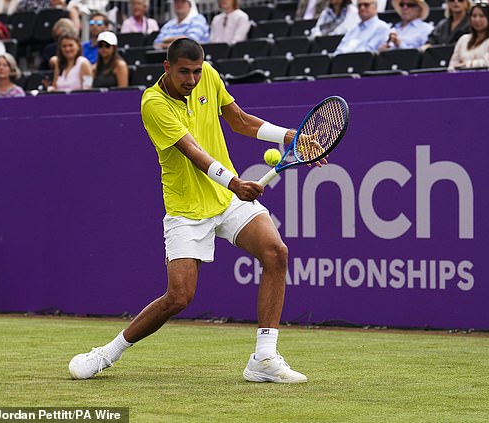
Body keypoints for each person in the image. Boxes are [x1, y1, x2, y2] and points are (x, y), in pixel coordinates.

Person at [68, 38, 315, 384]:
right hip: (187, 208)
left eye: (197, 71)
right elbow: (193, 151)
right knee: (179, 297)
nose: (192, 78)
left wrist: (290, 135)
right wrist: (235, 182)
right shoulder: (152, 103)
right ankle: (108, 352)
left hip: (226, 199)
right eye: (184, 71)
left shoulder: (208, 76)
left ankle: (264, 358)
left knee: (276, 253)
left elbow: (240, 121)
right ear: (167, 68)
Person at [448, 2, 489, 70]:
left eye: (481, 16)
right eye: (474, 16)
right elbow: (453, 64)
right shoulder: (463, 39)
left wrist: (467, 64)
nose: (477, 19)